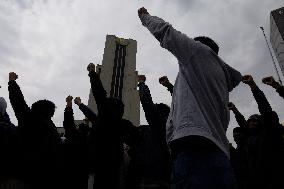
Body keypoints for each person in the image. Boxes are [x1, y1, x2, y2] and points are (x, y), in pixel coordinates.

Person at [138, 7, 242, 189]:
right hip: (218, 151)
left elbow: (166, 32)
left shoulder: (196, 52)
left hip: (193, 149)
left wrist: (145, 17)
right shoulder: (220, 77)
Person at [8, 72, 63, 189]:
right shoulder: (53, 130)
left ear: (35, 108)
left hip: (25, 176)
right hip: (46, 179)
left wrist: (12, 81)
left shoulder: (30, 119)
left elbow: (18, 101)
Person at [87, 63, 138, 189]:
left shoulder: (104, 120)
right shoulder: (124, 124)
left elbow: (99, 95)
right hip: (116, 165)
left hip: (100, 165)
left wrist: (93, 73)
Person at [127, 75, 171, 188]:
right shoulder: (174, 127)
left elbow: (146, 102)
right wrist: (169, 86)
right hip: (169, 178)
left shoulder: (159, 127)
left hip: (154, 179)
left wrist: (141, 83)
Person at [242, 75, 284, 189]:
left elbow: (265, 108)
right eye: (251, 121)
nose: (253, 123)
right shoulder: (248, 142)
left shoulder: (270, 134)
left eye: (256, 121)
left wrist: (253, 86)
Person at [63, 95, 89, 189]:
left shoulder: (74, 138)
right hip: (83, 176)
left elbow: (68, 120)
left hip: (69, 173)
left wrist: (69, 102)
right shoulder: (90, 142)